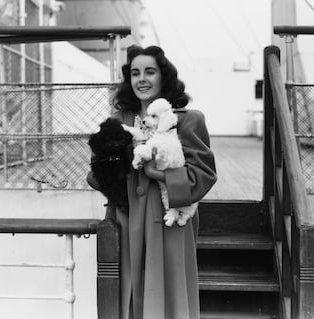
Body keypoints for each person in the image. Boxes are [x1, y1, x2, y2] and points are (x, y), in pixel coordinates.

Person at [87, 45, 217, 319]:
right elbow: (96, 172)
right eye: (135, 73)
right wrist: (113, 175)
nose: (141, 79)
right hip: (126, 217)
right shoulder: (117, 122)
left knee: (168, 295)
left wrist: (157, 173)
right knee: (128, 294)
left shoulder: (188, 120)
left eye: (149, 71)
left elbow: (202, 175)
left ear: (163, 77)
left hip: (168, 221)